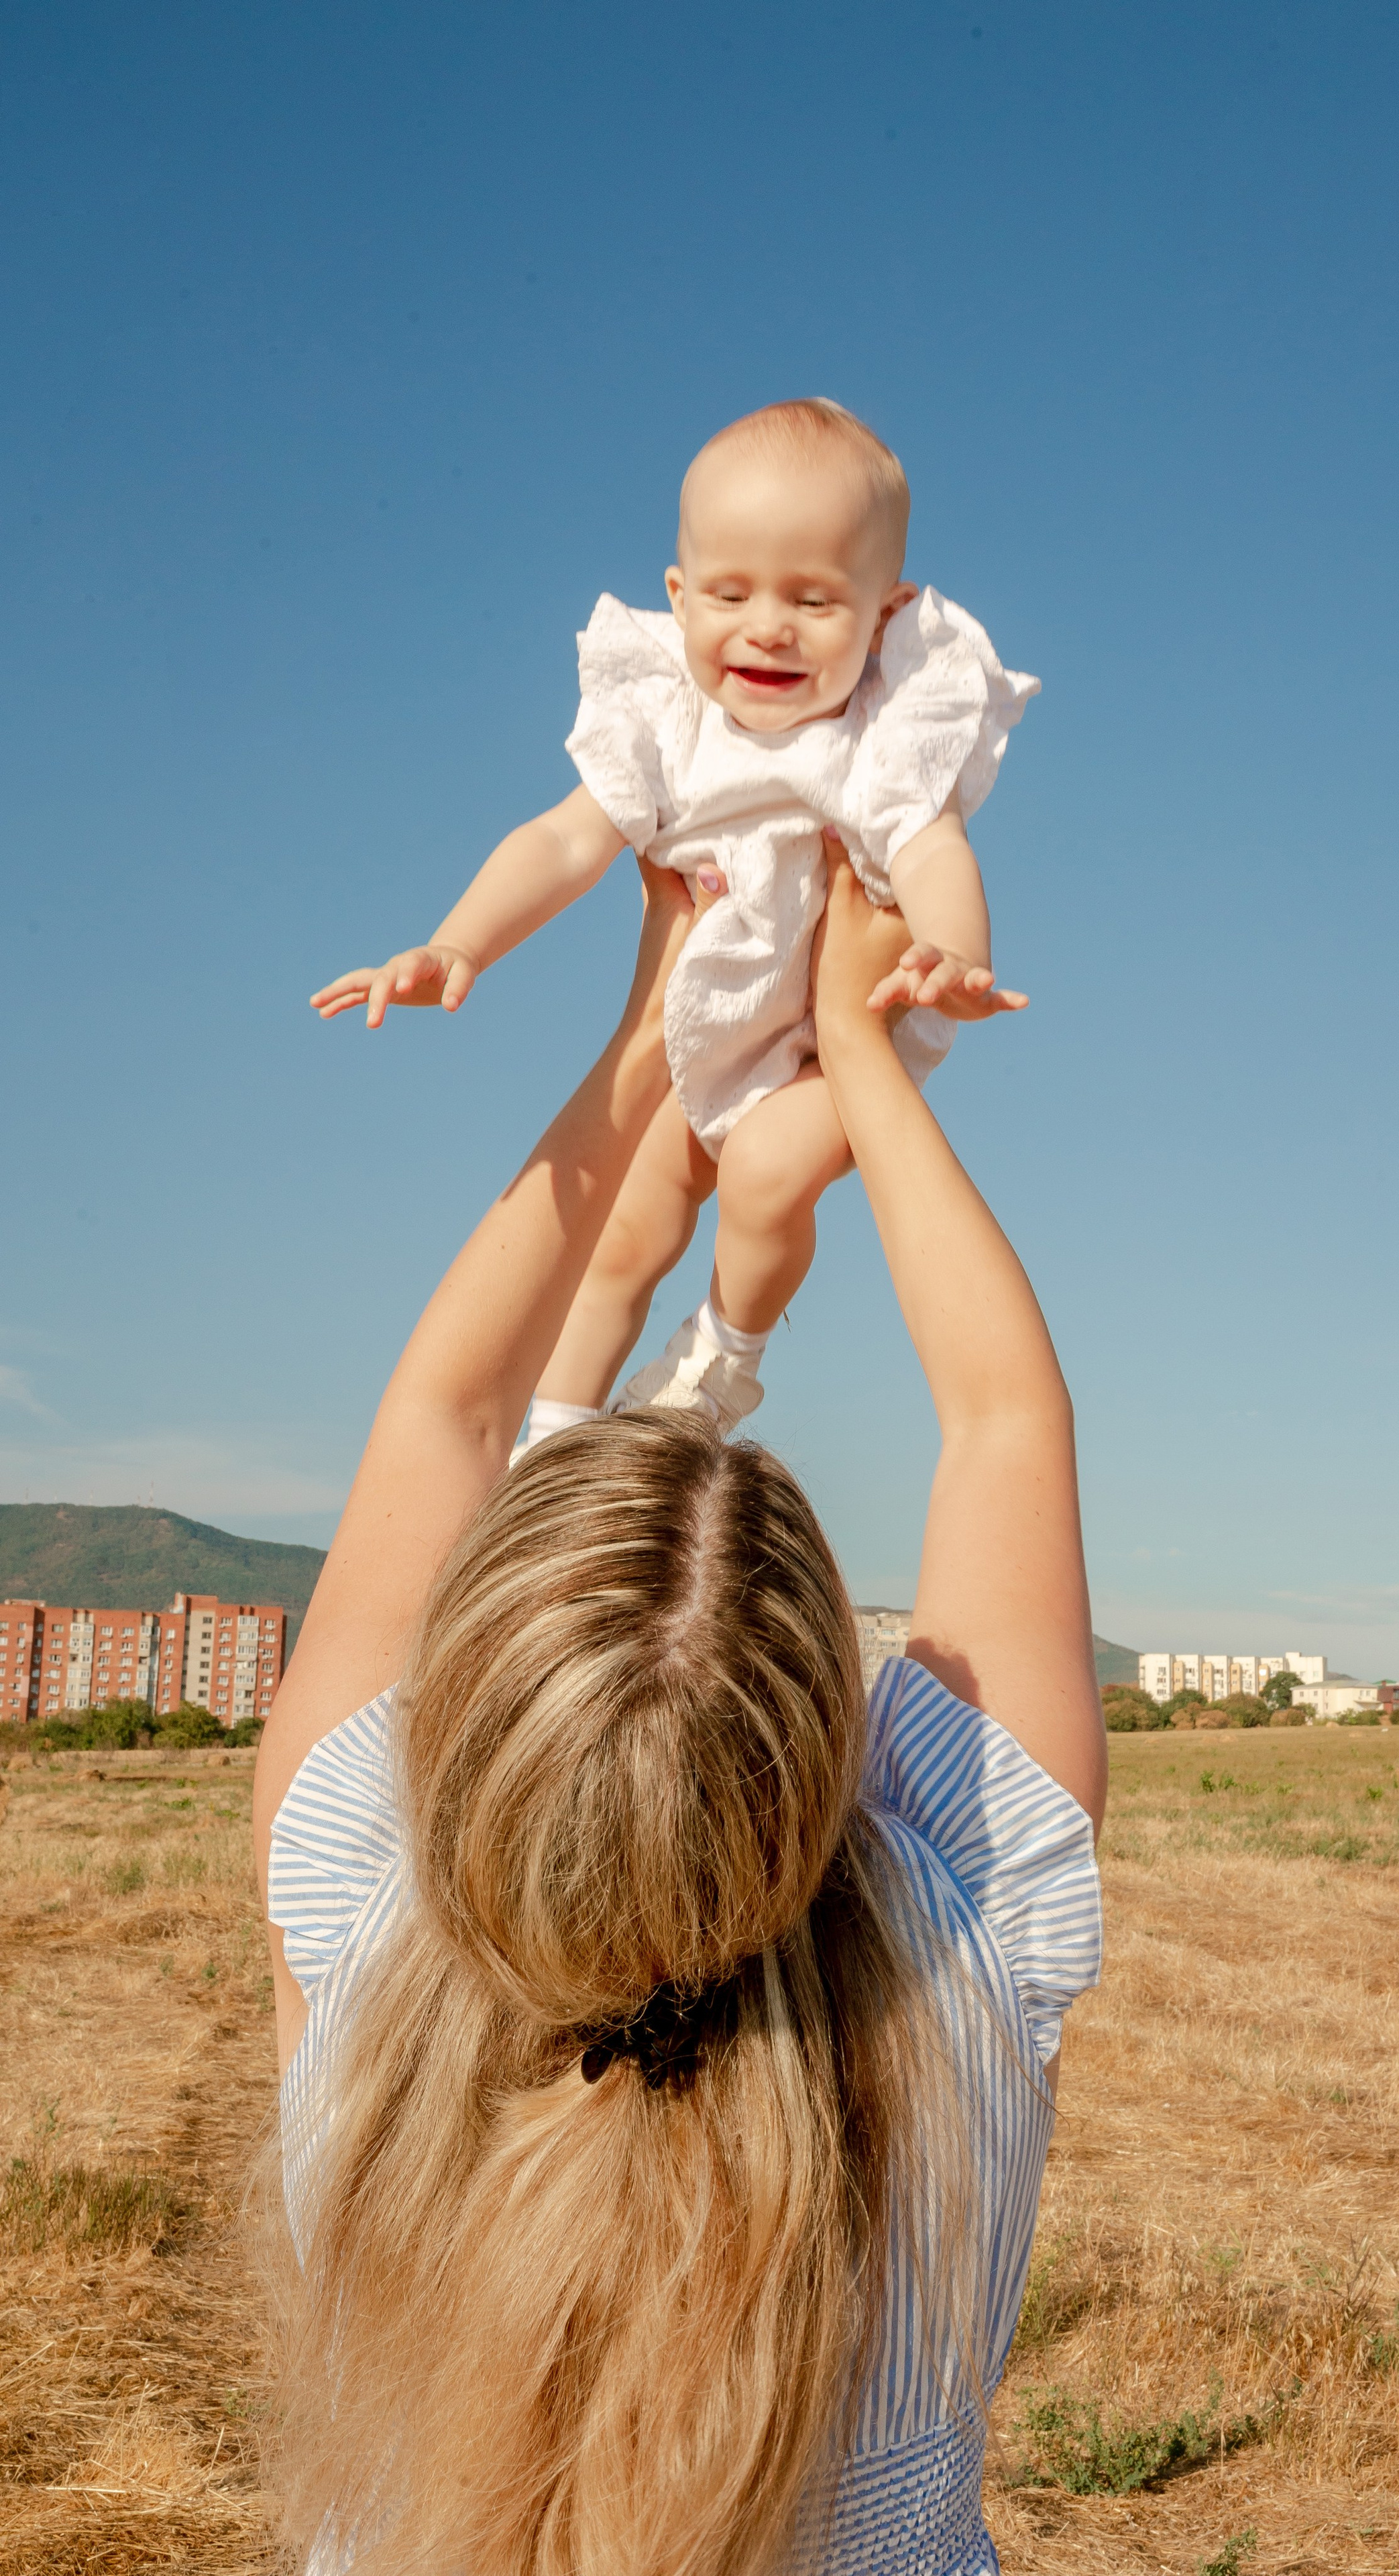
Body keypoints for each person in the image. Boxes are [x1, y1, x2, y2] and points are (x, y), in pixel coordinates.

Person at [257, 855, 1105, 2576]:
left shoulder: (356, 1903)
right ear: (833, 1741)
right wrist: (857, 1048)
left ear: (461, 1715)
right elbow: (1002, 1424)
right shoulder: (963, 1958)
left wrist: (651, 1023)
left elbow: (446, 1414)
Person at [309, 398, 1036, 1444]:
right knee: (622, 1231)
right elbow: (563, 841)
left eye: (815, 599)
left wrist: (954, 952)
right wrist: (460, 940)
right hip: (706, 1030)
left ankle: (723, 1361)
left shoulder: (879, 739)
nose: (768, 626)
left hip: (826, 1052)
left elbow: (932, 850)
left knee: (767, 1174)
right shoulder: (668, 726)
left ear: (885, 617)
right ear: (680, 597)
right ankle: (553, 1437)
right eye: (731, 593)